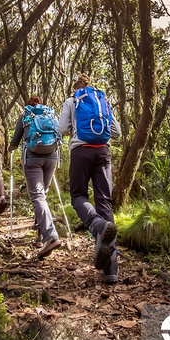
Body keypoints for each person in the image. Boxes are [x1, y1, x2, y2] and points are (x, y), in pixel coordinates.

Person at [58, 74, 121, 284]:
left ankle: (96, 224)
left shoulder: (72, 100)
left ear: (76, 87)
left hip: (80, 151)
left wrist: (76, 130)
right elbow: (117, 131)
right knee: (104, 202)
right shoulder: (103, 101)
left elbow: (62, 129)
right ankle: (111, 270)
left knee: (78, 196)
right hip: (103, 152)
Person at [9, 95, 62, 259]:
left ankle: (50, 235)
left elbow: (15, 141)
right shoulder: (51, 116)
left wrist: (10, 149)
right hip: (52, 158)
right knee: (42, 196)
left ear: (29, 105)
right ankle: (40, 238)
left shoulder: (25, 117)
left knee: (38, 197)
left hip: (32, 159)